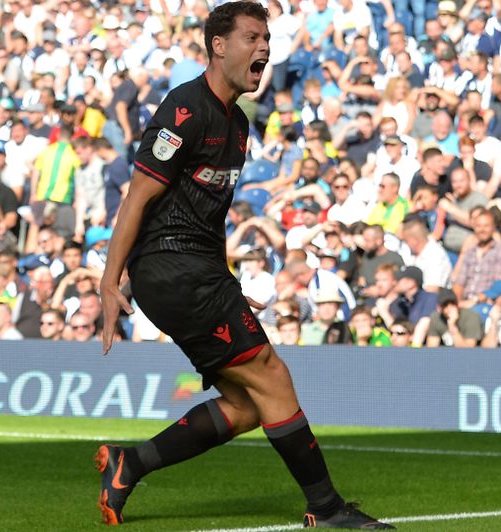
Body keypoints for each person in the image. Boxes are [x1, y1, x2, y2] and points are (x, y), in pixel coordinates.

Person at [96, 3, 391, 529]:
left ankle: (130, 462)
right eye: (252, 38)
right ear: (218, 45)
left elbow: (210, 215)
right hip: (171, 266)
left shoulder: (236, 122)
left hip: (199, 270)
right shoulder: (184, 110)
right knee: (272, 374)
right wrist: (108, 281)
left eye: (267, 39)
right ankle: (325, 509)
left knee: (252, 403)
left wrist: (227, 280)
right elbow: (135, 200)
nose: (264, 48)